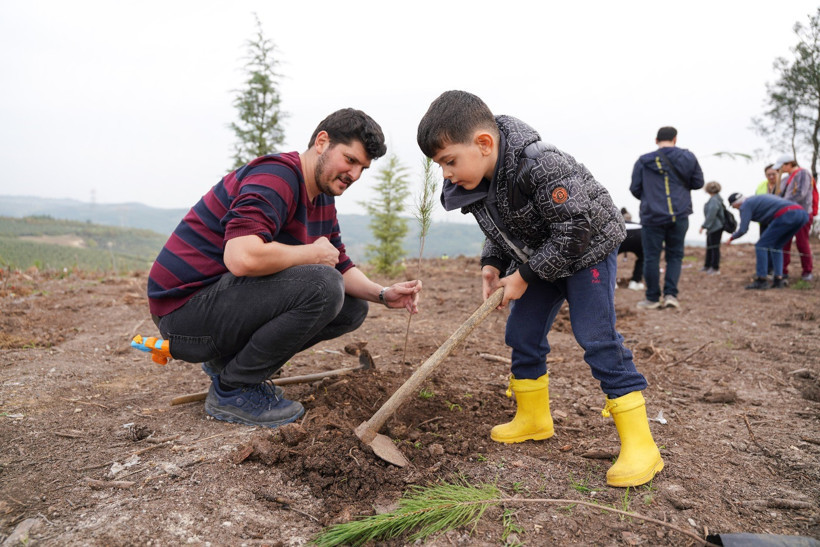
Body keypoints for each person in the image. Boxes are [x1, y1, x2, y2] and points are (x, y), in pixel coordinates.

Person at [416, 90, 663, 488]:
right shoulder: (480, 179)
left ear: (484, 144)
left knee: (596, 336)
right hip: (542, 255)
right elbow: (501, 229)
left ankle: (641, 445)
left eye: (449, 161)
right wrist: (492, 264)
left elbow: (576, 228)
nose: (446, 173)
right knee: (522, 332)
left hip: (587, 250)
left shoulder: (540, 163)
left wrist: (523, 276)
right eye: (440, 165)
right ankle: (533, 418)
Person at [146, 108, 423, 428]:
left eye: (363, 168)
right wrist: (310, 253)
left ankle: (227, 364)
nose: (355, 174)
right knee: (323, 286)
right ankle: (233, 390)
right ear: (322, 142)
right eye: (350, 160)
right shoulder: (276, 177)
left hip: (217, 308)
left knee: (352, 307)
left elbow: (340, 264)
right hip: (183, 313)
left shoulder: (322, 198)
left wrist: (384, 294)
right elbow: (241, 258)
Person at [630, 126, 704, 309]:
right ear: (675, 139)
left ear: (656, 140)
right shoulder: (688, 157)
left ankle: (652, 298)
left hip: (651, 215)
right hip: (679, 214)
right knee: (675, 256)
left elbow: (635, 188)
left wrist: (650, 197)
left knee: (651, 257)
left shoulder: (643, 161)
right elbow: (698, 183)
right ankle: (671, 295)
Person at [726, 192, 809, 290]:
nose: (735, 209)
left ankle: (761, 280)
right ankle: (778, 279)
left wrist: (732, 238)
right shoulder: (756, 200)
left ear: (736, 203)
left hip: (787, 214)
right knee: (777, 246)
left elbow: (743, 229)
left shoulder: (745, 205)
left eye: (733, 206)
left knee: (761, 246)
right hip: (802, 214)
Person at [773, 154, 814, 281]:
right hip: (787, 214)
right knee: (784, 242)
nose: (780, 170)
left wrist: (782, 203)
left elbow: (800, 194)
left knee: (802, 243)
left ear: (789, 164)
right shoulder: (785, 178)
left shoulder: (803, 173)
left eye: (782, 167)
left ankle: (807, 271)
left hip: (802, 213)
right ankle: (782, 270)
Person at [755, 164, 779, 276]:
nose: (771, 177)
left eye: (773, 174)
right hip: (764, 220)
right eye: (768, 175)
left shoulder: (783, 185)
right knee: (763, 245)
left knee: (775, 246)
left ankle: (775, 269)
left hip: (777, 220)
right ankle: (766, 269)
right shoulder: (761, 186)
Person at [698, 181, 724, 274]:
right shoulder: (716, 199)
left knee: (714, 247)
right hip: (713, 227)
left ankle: (715, 267)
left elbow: (711, 214)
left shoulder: (714, 200)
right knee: (710, 246)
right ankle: (707, 265)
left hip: (715, 227)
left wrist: (704, 226)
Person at [618, 214, 645, 290]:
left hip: (619, 234)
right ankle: (635, 282)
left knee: (609, 258)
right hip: (639, 235)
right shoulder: (637, 224)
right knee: (643, 258)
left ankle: (611, 282)